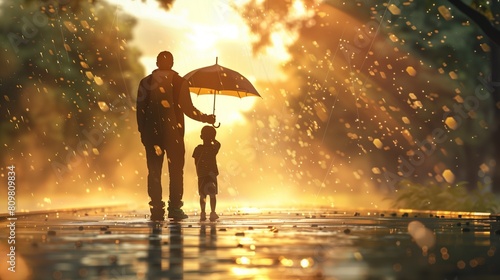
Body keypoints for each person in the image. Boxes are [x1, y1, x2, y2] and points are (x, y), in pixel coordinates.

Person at [137, 51, 215, 221]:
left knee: (154, 171)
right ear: (172, 63)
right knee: (176, 171)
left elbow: (140, 111)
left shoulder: (146, 82)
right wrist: (206, 118)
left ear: (157, 63)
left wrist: (143, 132)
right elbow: (188, 109)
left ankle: (156, 209)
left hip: (151, 134)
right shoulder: (180, 82)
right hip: (174, 134)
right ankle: (174, 208)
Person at [193, 126, 221, 221]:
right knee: (212, 195)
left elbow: (195, 160)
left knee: (202, 195)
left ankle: (203, 213)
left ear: (201, 137)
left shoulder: (198, 149)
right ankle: (213, 212)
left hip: (201, 175)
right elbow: (218, 144)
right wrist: (213, 139)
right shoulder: (213, 148)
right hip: (211, 175)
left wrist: (199, 170)